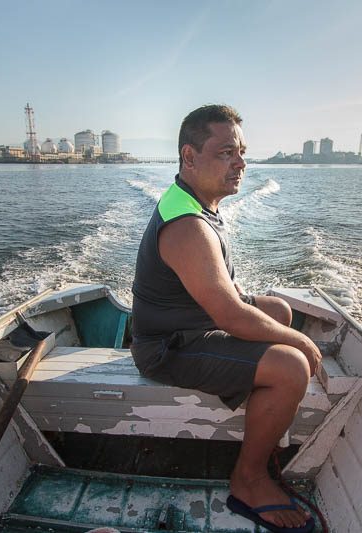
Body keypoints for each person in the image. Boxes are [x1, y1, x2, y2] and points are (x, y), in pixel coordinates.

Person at [130, 104, 322, 532]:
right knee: (292, 366)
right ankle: (248, 479)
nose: (240, 164)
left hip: (191, 320)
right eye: (225, 153)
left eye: (242, 153)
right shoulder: (188, 227)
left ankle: (263, 395)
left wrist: (278, 327)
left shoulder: (197, 201)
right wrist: (301, 342)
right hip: (166, 346)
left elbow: (228, 300)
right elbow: (231, 316)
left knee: (279, 310)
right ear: (189, 156)